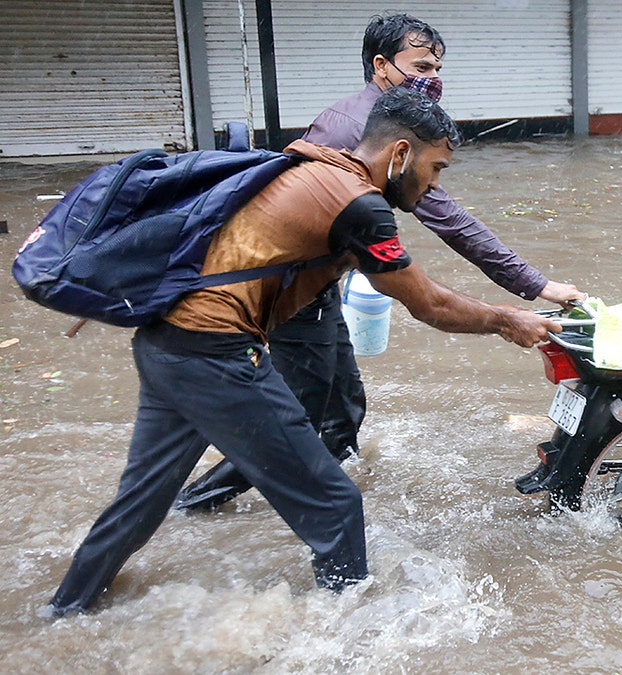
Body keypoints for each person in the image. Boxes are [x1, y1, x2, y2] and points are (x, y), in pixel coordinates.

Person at [47, 87, 559, 616]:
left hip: (163, 344)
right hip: (215, 354)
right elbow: (428, 304)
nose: (433, 186)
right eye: (436, 168)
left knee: (141, 502)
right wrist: (506, 319)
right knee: (336, 505)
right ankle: (352, 641)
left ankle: (63, 612)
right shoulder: (360, 207)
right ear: (400, 154)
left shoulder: (309, 165)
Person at [174, 12, 584, 510]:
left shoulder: (378, 122)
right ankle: (205, 504)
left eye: (438, 69)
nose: (433, 79)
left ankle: (328, 487)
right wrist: (535, 287)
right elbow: (444, 229)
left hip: (313, 283)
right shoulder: (369, 132)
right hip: (286, 291)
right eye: (422, 66)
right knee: (297, 416)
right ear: (381, 65)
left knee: (343, 408)